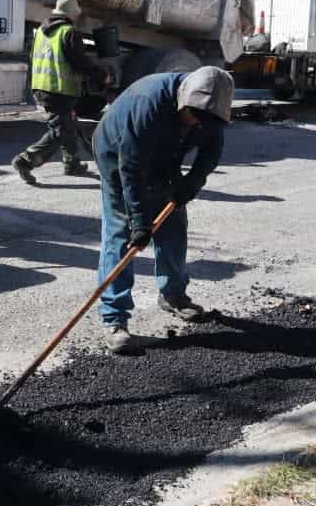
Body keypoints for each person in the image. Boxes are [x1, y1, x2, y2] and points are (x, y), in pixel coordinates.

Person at [92, 66, 234, 354]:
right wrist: (139, 222)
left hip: (164, 156)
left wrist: (191, 183)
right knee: (122, 233)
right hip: (116, 152)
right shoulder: (149, 102)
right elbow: (130, 167)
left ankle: (173, 295)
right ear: (183, 99)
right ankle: (114, 318)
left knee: (173, 222)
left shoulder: (210, 117)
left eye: (203, 123)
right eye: (193, 117)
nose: (197, 125)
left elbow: (210, 152)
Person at [11, 0, 109, 184]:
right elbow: (82, 63)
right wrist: (102, 76)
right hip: (59, 90)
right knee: (61, 130)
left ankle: (72, 163)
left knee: (68, 123)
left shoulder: (41, 30)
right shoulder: (69, 32)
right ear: (72, 14)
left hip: (42, 86)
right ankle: (25, 161)